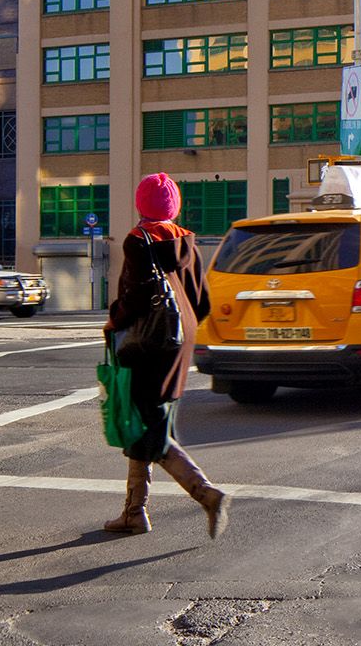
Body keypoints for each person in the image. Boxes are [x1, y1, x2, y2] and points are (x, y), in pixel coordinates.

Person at [102, 174, 227, 539]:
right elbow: (202, 301)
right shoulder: (187, 240)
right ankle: (133, 511)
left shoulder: (138, 241)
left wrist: (114, 320)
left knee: (150, 425)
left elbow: (134, 299)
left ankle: (206, 493)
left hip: (147, 345)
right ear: (174, 206)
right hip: (178, 341)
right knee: (148, 421)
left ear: (142, 204)